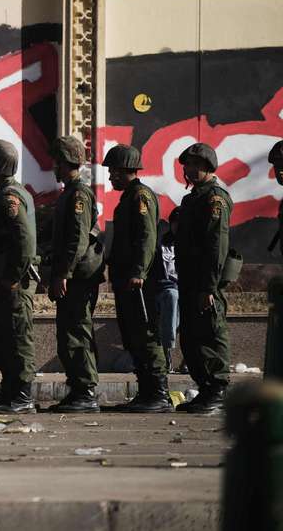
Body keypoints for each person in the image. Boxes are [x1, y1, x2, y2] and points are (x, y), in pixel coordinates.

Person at [102, 144, 172, 412]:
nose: (111, 176)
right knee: (133, 336)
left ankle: (159, 395)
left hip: (139, 281)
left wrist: (139, 272)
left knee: (146, 334)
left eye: (114, 171)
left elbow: (147, 238)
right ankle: (146, 393)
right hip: (127, 279)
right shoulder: (129, 196)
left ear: (125, 170)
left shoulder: (141, 196)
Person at [0, 140, 39, 414]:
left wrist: (13, 276)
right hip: (7, 279)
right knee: (4, 337)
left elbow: (24, 241)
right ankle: (9, 391)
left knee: (17, 336)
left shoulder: (9, 197)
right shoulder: (10, 193)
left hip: (15, 281)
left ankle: (22, 397)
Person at [174, 143, 232, 414]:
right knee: (191, 337)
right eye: (187, 164)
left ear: (209, 167)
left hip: (204, 282)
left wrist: (208, 287)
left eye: (196, 165)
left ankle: (217, 390)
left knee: (210, 334)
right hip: (188, 279)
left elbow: (216, 245)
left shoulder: (214, 199)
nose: (190, 169)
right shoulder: (192, 198)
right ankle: (205, 389)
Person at [48, 136, 102, 413]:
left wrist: (64, 274)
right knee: (69, 333)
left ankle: (86, 392)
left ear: (67, 162)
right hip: (73, 276)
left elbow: (78, 240)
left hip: (78, 278)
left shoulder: (79, 194)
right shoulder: (69, 193)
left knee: (77, 333)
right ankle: (78, 389)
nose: (54, 167)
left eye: (57, 162)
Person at [150, 209, 180, 373]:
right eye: (176, 224)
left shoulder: (193, 243)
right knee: (172, 297)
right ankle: (167, 348)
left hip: (189, 289)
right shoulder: (162, 245)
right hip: (166, 289)